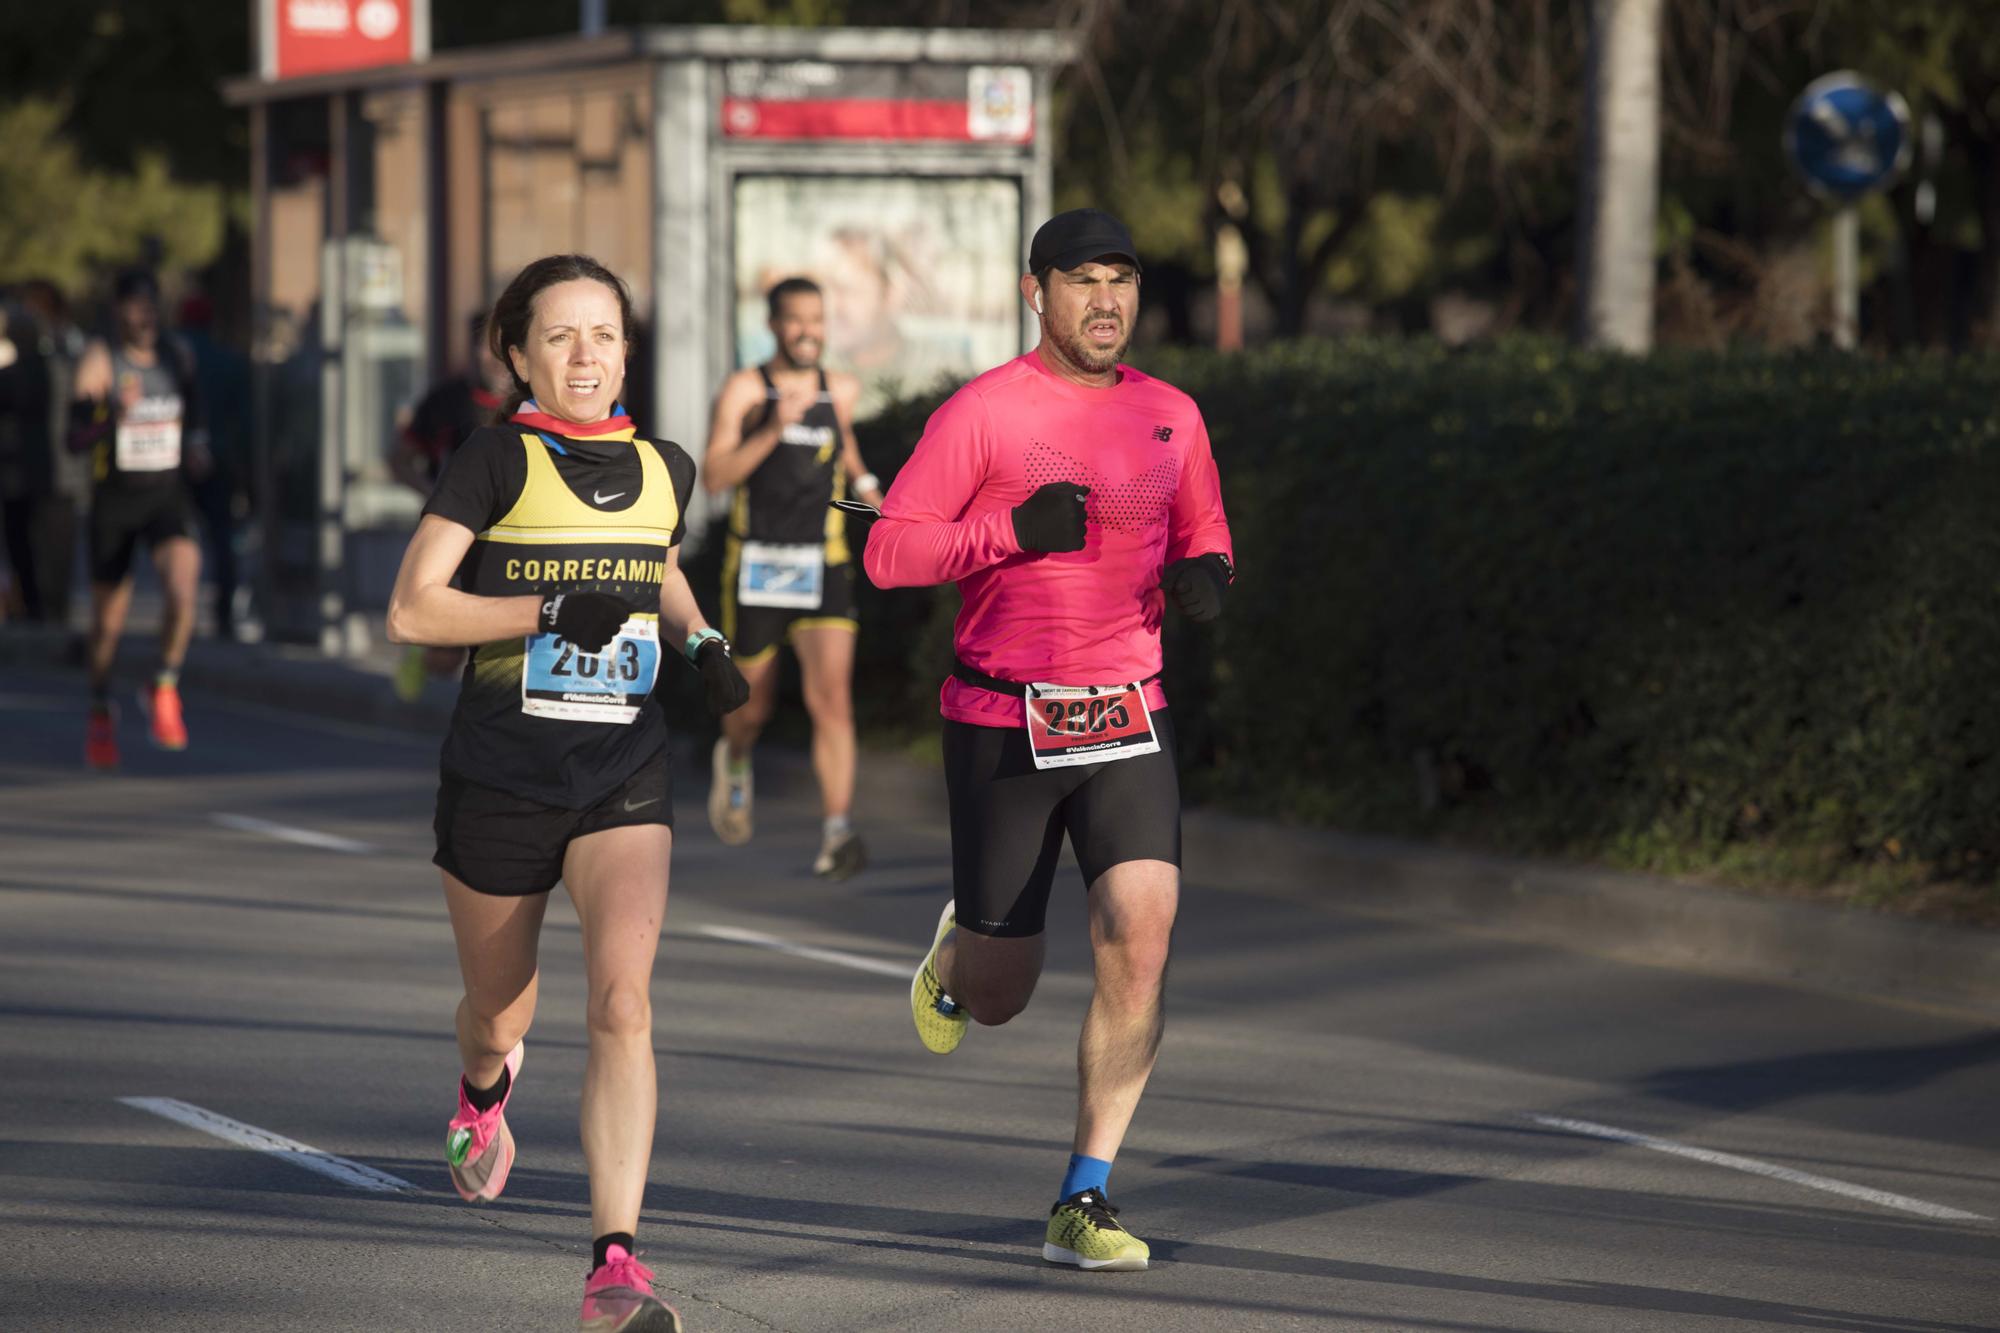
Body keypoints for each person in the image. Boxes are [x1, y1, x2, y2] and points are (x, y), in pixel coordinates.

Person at [862, 209, 1235, 1272]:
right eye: (1082, 280)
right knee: (998, 995)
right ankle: (955, 954)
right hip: (1000, 718)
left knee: (1141, 925)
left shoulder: (1173, 416)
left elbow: (1205, 532)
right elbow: (890, 552)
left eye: (1120, 280)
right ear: (1037, 293)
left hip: (1127, 708)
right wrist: (1008, 533)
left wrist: (1207, 578)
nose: (1106, 300)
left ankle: (1085, 1192)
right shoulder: (984, 414)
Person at [387, 253, 748, 1333]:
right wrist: (546, 611)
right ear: (518, 354)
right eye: (560, 336)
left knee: (622, 1004)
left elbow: (657, 559)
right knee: (498, 1013)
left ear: (627, 349)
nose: (585, 355)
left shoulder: (664, 465)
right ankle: (484, 1087)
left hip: (620, 772)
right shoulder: (493, 461)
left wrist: (704, 638)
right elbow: (413, 611)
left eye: (604, 333)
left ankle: (614, 1265)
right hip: (500, 774)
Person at [700, 276, 884, 879]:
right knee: (752, 705)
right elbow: (716, 476)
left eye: (818, 320)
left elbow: (847, 452)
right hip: (758, 565)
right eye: (797, 320)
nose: (809, 332)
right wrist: (774, 427)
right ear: (774, 325)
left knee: (831, 698)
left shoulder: (842, 389)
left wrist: (872, 496)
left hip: (823, 561)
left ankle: (837, 831)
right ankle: (737, 755)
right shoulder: (745, 391)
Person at [70, 269, 209, 769]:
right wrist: (110, 415)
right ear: (119, 312)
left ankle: (164, 682)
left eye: (152, 304)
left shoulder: (176, 356)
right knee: (107, 625)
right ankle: (101, 706)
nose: (145, 314)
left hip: (165, 495)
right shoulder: (101, 358)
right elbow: (74, 440)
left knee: (183, 589)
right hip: (115, 502)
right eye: (135, 306)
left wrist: (196, 447)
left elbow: (193, 412)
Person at [389, 312, 511, 701]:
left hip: (509, 538)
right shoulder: (447, 400)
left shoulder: (534, 404)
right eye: (482, 345)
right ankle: (423, 659)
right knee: (445, 653)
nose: (490, 356)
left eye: (499, 346)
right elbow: (399, 459)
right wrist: (436, 494)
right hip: (455, 536)